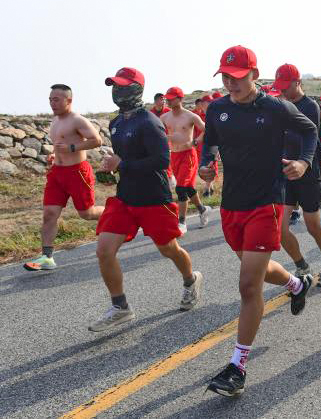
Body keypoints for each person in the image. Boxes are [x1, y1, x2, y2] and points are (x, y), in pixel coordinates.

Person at [200, 46, 316, 397]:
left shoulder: (275, 107)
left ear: (254, 74)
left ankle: (237, 368)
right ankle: (298, 285)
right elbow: (210, 145)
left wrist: (304, 163)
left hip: (267, 203)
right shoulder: (218, 110)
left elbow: (310, 130)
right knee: (260, 272)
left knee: (248, 286)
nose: (230, 83)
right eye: (225, 76)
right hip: (231, 204)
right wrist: (207, 166)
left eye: (237, 77)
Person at [90, 67, 202, 332]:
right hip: (125, 198)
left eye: (123, 86)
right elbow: (124, 161)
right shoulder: (116, 123)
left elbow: (162, 161)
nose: (117, 91)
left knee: (169, 249)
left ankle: (190, 279)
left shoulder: (149, 122)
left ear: (136, 89)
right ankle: (120, 307)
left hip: (154, 198)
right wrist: (112, 167)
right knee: (104, 250)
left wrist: (123, 164)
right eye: (114, 86)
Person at [24, 84, 105, 271]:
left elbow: (96, 140)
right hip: (57, 174)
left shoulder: (78, 120)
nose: (52, 103)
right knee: (49, 215)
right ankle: (47, 257)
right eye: (50, 99)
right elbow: (60, 143)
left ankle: (114, 212)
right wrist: (54, 155)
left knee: (87, 213)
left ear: (69, 100)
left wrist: (72, 148)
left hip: (77, 173)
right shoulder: (55, 120)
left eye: (57, 99)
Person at [273, 63, 321, 286]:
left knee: (312, 225)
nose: (281, 91)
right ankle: (302, 266)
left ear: (298, 83)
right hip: (286, 174)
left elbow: (308, 138)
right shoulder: (280, 105)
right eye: (278, 86)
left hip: (309, 174)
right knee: (279, 228)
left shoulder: (310, 106)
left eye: (285, 86)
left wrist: (301, 162)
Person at [160, 87, 212, 234]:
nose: (168, 101)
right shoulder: (164, 117)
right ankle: (203, 210)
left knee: (181, 188)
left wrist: (197, 140)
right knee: (187, 187)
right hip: (174, 155)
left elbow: (205, 129)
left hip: (188, 155)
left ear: (180, 99)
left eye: (171, 98)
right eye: (167, 98)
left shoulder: (190, 116)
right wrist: (166, 138)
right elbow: (156, 131)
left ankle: (182, 222)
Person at [193, 95, 218, 197]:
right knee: (204, 166)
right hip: (201, 146)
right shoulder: (197, 116)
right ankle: (210, 188)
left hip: (212, 145)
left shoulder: (212, 114)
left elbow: (208, 129)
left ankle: (207, 190)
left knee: (210, 165)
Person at [150, 93, 176, 188]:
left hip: (167, 140)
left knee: (168, 160)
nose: (164, 101)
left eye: (165, 100)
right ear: (156, 101)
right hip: (154, 142)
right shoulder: (150, 113)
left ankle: (170, 180)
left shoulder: (169, 111)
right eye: (162, 100)